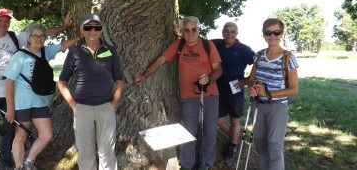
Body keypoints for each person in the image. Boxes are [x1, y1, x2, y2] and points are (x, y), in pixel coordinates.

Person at [0, 9, 73, 170]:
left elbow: (43, 33)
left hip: (11, 94)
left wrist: (64, 28)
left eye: (6, 20)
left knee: (9, 131)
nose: (3, 23)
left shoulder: (15, 37)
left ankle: (6, 162)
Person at [134, 16, 222, 170]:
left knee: (209, 130)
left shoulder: (208, 45)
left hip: (209, 94)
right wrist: (144, 75)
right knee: (188, 131)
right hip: (188, 96)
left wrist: (209, 79)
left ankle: (206, 163)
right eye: (186, 30)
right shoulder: (179, 44)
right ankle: (187, 164)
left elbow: (218, 69)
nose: (190, 33)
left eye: (193, 30)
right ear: (182, 31)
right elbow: (161, 60)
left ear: (198, 29)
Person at [4, 23, 80, 170]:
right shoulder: (19, 56)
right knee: (20, 137)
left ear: (45, 38)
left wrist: (80, 36)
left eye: (42, 36)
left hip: (40, 103)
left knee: (47, 134)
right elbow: (9, 83)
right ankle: (19, 166)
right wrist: (10, 108)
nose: (39, 39)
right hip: (22, 104)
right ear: (28, 38)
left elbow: (63, 45)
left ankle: (29, 161)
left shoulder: (46, 52)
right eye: (35, 36)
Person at [58, 14, 124, 170]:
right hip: (82, 109)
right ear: (82, 30)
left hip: (105, 108)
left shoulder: (110, 50)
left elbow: (119, 80)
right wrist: (74, 105)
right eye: (88, 27)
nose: (92, 31)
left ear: (101, 30)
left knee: (107, 152)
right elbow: (62, 82)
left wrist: (113, 104)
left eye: (96, 27)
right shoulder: (74, 51)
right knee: (85, 153)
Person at [248, 18, 299, 170]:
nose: (272, 36)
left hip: (277, 107)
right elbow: (251, 81)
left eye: (276, 32)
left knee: (274, 145)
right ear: (263, 34)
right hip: (258, 105)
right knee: (261, 144)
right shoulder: (258, 56)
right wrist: (252, 89)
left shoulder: (288, 58)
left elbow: (294, 89)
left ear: (282, 34)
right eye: (268, 32)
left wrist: (268, 93)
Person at [211, 22, 255, 163]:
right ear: (222, 32)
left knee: (235, 120)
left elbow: (259, 64)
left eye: (232, 31)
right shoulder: (216, 44)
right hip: (218, 88)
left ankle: (232, 147)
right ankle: (236, 139)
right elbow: (198, 41)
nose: (229, 34)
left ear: (237, 33)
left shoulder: (243, 49)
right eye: (226, 31)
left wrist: (246, 80)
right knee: (219, 121)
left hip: (236, 89)